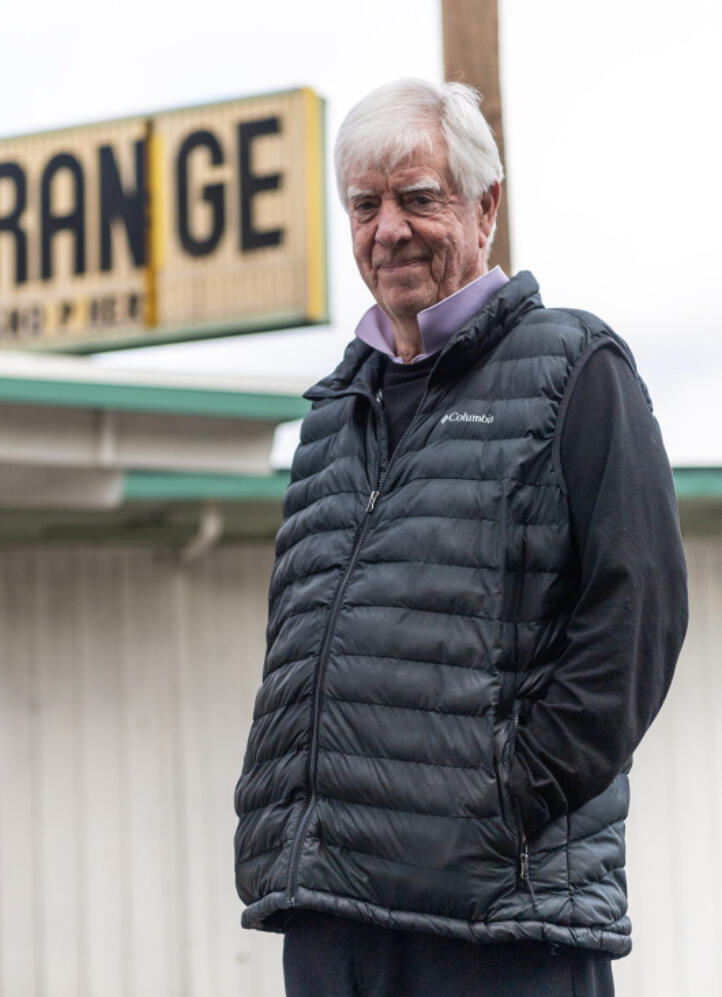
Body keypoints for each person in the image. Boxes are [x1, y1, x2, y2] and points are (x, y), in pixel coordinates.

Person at [233, 78, 688, 997]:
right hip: (333, 918)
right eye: (365, 205)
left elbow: (638, 616)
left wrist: (505, 802)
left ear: (485, 208)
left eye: (418, 197)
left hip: (499, 928)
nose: (388, 229)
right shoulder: (331, 416)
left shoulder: (574, 369)